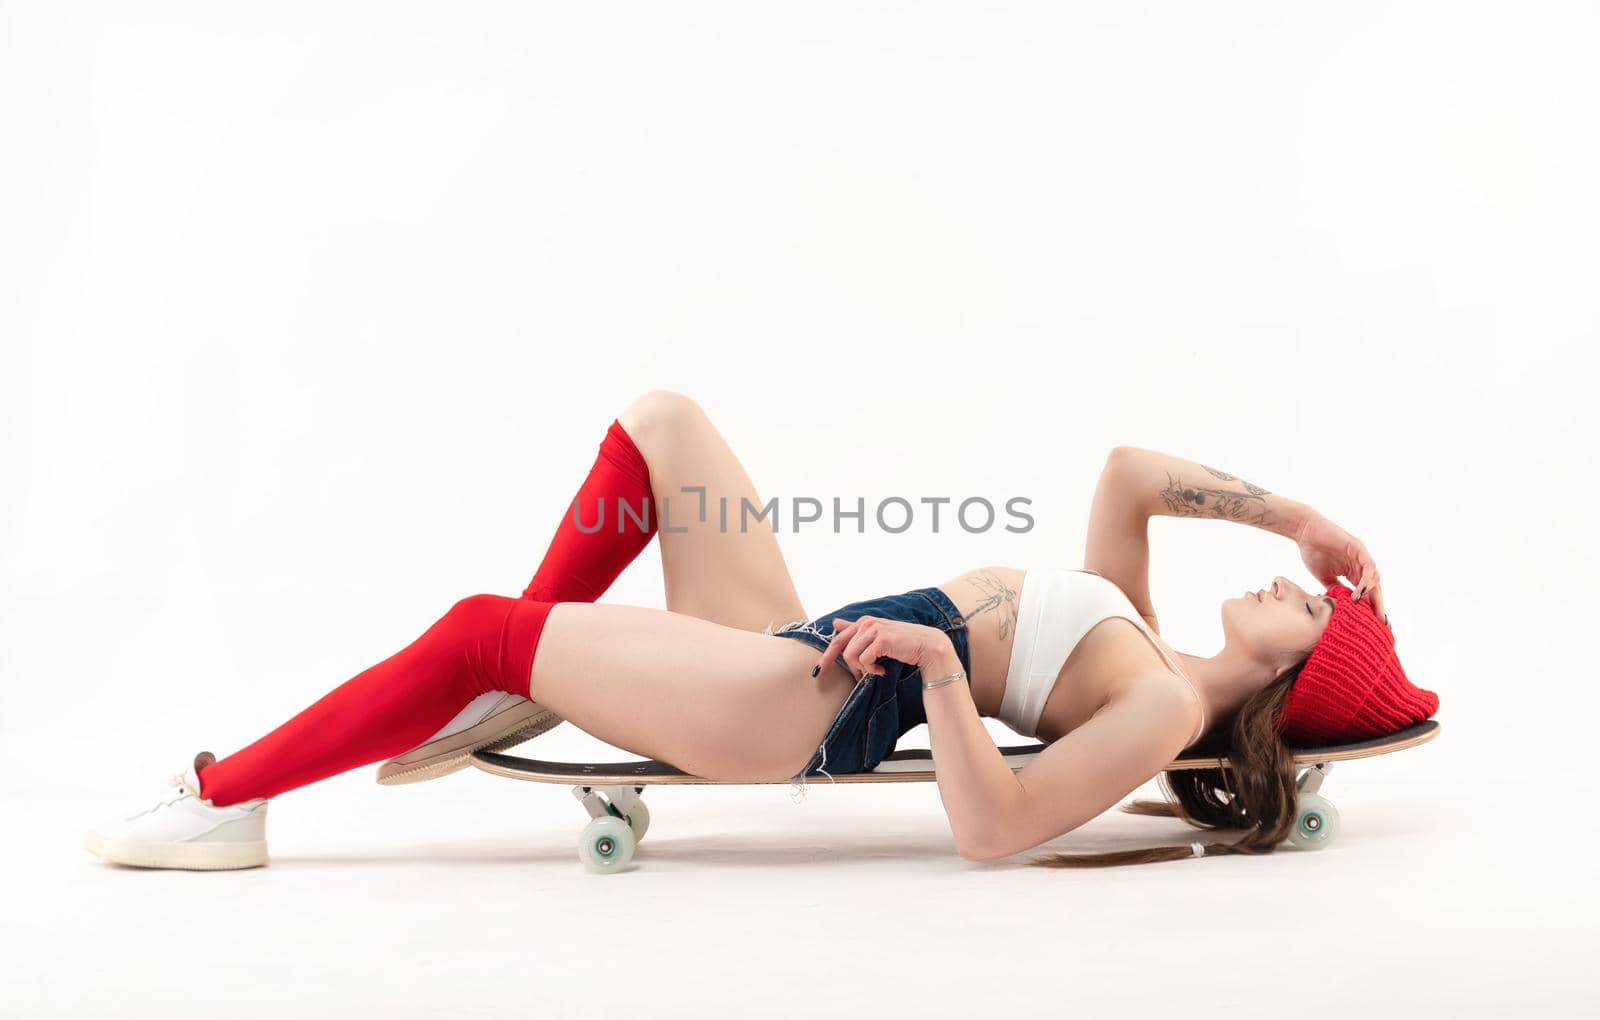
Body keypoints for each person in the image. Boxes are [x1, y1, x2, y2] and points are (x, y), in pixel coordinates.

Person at [84, 390, 1439, 871]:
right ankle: (539, 674)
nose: (1294, 589)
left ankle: (225, 804)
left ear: (1294, 674)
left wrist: (938, 676)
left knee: (483, 630)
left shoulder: (1160, 711)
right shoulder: (1147, 641)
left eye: (1309, 610)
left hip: (804, 703)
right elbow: (1133, 468)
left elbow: (993, 830)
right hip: (813, 649)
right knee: (664, 422)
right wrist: (1300, 518)